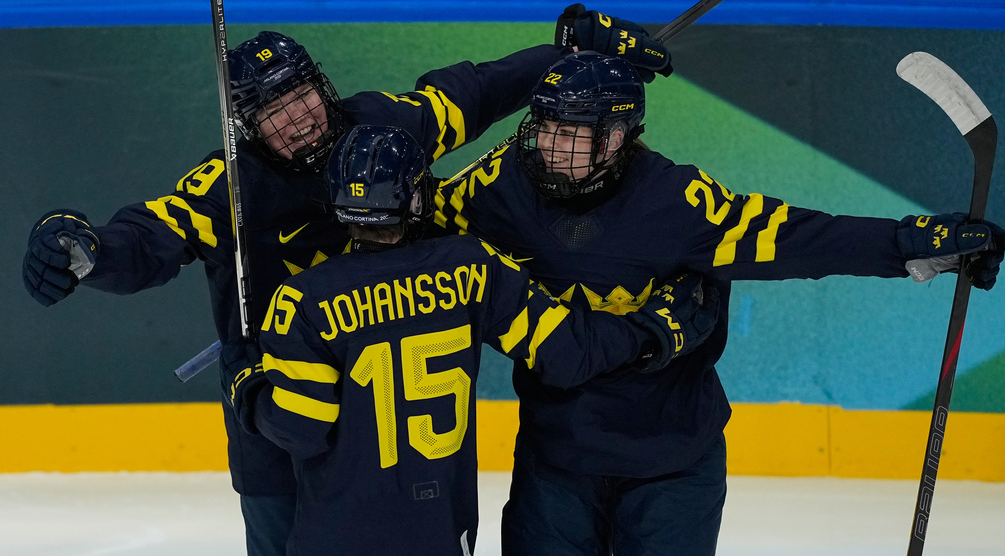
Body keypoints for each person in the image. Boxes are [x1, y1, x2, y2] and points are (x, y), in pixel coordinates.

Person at [20, 22, 672, 556]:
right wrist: (88, 250)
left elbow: (472, 91)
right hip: (280, 436)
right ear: (248, 125)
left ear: (321, 85)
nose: (298, 119)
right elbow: (147, 240)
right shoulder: (230, 186)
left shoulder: (382, 130)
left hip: (386, 453)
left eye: (300, 95)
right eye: (273, 111)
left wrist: (573, 55)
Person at [433, 36, 1005, 554]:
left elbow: (795, 238)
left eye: (571, 133)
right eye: (545, 127)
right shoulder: (499, 185)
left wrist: (910, 242)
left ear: (614, 136)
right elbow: (411, 224)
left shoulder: (677, 200)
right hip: (555, 462)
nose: (551, 148)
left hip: (672, 464)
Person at [224, 124, 720, 555]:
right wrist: (654, 328)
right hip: (440, 527)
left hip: (339, 532)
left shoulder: (303, 298)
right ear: (415, 197)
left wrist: (245, 380)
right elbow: (569, 353)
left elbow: (300, 427)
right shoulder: (469, 266)